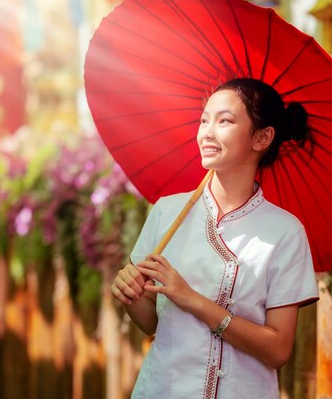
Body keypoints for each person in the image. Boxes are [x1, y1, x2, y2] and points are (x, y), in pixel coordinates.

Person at [111, 78, 319, 399]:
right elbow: (153, 322)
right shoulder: (168, 212)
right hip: (164, 389)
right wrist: (131, 297)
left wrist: (191, 299)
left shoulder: (285, 232)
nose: (206, 132)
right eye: (204, 119)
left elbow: (278, 350)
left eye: (224, 121)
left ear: (262, 137)